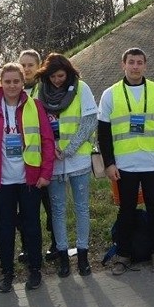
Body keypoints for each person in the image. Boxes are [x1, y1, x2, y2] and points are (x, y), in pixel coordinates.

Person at [0, 62, 55, 292]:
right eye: (7, 81)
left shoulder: (35, 106)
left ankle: (35, 270)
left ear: (22, 82)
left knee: (31, 227)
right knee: (5, 229)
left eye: (16, 81)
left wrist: (45, 173)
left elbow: (47, 141)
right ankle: (7, 273)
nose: (12, 85)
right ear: (1, 82)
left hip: (30, 179)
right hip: (1, 182)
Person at [98, 47, 154, 275]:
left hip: (153, 163)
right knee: (126, 210)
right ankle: (123, 255)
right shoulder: (110, 94)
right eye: (131, 62)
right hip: (124, 165)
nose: (135, 66)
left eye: (139, 62)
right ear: (123, 65)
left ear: (145, 65)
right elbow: (103, 133)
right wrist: (109, 163)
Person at [36, 54, 98, 277]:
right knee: (58, 210)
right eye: (52, 76)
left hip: (77, 158)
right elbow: (35, 123)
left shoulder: (82, 88)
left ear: (69, 73)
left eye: (61, 75)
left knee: (81, 208)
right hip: (52, 161)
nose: (57, 80)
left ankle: (83, 254)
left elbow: (90, 120)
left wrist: (70, 148)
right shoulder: (38, 92)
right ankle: (63, 256)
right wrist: (50, 146)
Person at [18, 49, 57, 260]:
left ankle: (55, 244)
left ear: (38, 66)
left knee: (51, 205)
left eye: (30, 65)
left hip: (45, 158)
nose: (26, 69)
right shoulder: (14, 89)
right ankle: (27, 247)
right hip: (23, 161)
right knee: (25, 210)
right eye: (22, 65)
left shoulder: (46, 89)